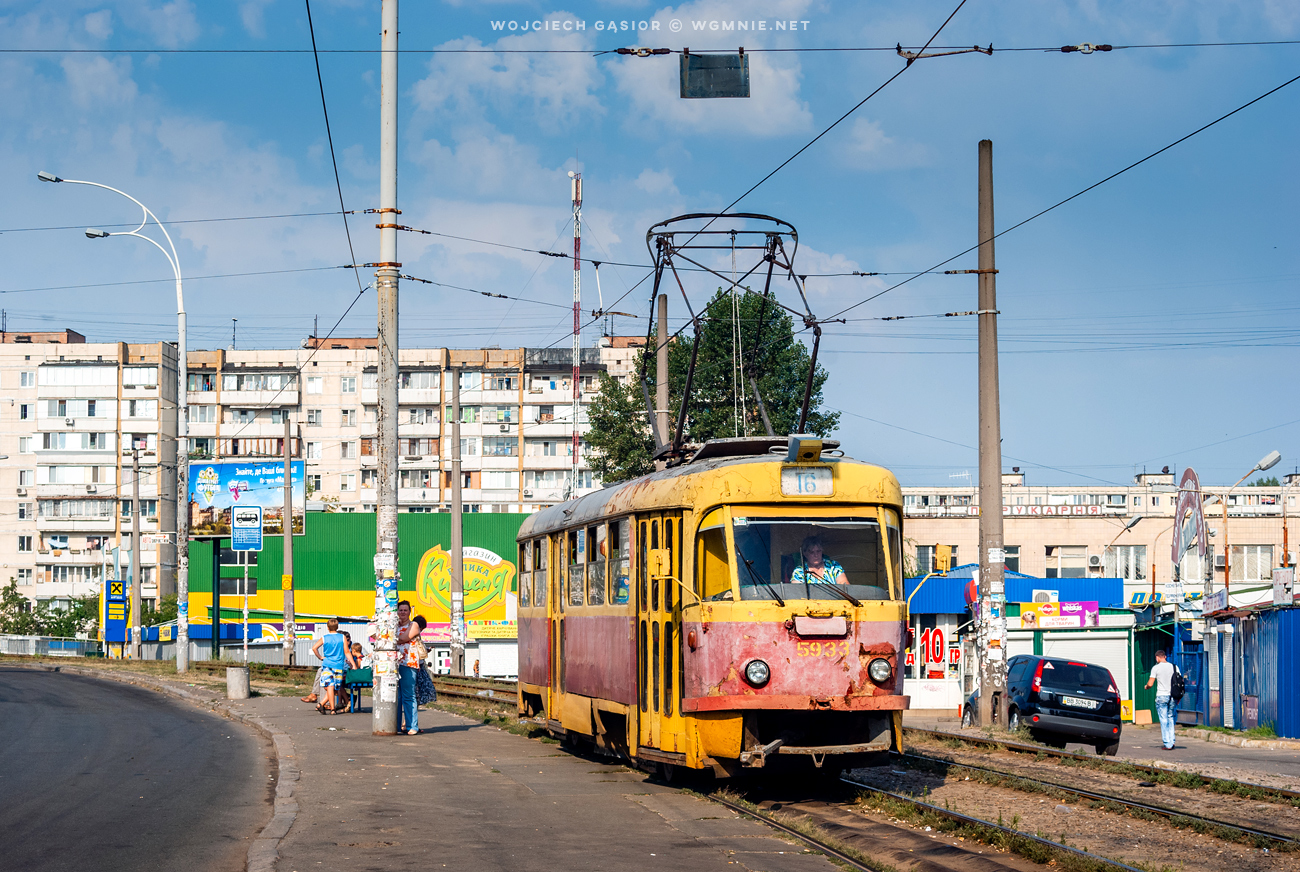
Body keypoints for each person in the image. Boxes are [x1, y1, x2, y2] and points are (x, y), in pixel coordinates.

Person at [312, 618, 356, 714]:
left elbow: (314, 648)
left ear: (327, 627)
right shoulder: (342, 637)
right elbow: (347, 652)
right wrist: (353, 664)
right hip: (338, 665)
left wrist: (320, 657)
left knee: (329, 686)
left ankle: (328, 707)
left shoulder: (324, 637)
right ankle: (330, 708)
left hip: (327, 664)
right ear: (337, 627)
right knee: (334, 686)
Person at [396, 600, 422, 735]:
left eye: (405, 610)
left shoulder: (414, 625)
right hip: (394, 664)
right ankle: (396, 725)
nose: (402, 613)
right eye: (400, 610)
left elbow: (405, 638)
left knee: (408, 696)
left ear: (409, 612)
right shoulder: (393, 625)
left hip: (408, 663)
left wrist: (392, 638)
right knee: (396, 697)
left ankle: (412, 726)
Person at [1145, 648, 1177, 750]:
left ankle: (1167, 744)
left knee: (1164, 720)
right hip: (1172, 696)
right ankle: (1172, 741)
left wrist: (1146, 687)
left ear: (1157, 658)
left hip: (1161, 696)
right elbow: (1180, 681)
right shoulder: (1174, 667)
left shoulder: (1156, 668)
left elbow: (1150, 683)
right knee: (1171, 718)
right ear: (1165, 657)